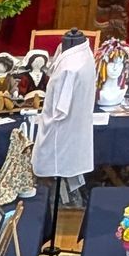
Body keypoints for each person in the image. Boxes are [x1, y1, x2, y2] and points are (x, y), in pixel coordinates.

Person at [32, 30, 98, 211]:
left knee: (53, 170)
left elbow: (59, 111)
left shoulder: (70, 68)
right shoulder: (84, 55)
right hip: (74, 127)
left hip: (61, 132)